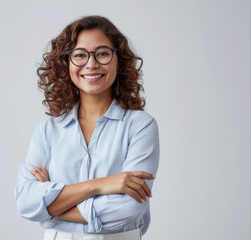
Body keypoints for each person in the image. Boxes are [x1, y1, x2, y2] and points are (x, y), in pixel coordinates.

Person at [15, 15, 159, 240]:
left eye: (102, 53)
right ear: (66, 63)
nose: (91, 64)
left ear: (118, 60)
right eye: (80, 55)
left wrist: (50, 207)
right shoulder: (47, 131)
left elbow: (128, 210)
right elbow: (25, 202)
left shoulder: (140, 126)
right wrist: (99, 185)